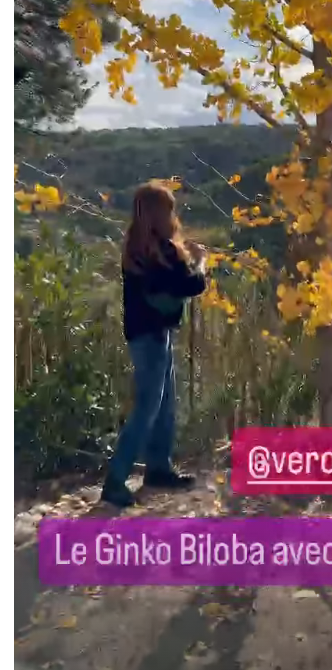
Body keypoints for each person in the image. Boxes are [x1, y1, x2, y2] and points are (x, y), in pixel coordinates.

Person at [101, 181, 207, 507]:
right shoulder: (158, 250)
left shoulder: (137, 246)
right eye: (169, 208)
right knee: (149, 408)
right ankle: (115, 481)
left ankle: (158, 468)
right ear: (158, 213)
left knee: (164, 406)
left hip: (145, 333)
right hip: (153, 336)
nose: (173, 215)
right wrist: (201, 260)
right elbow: (191, 285)